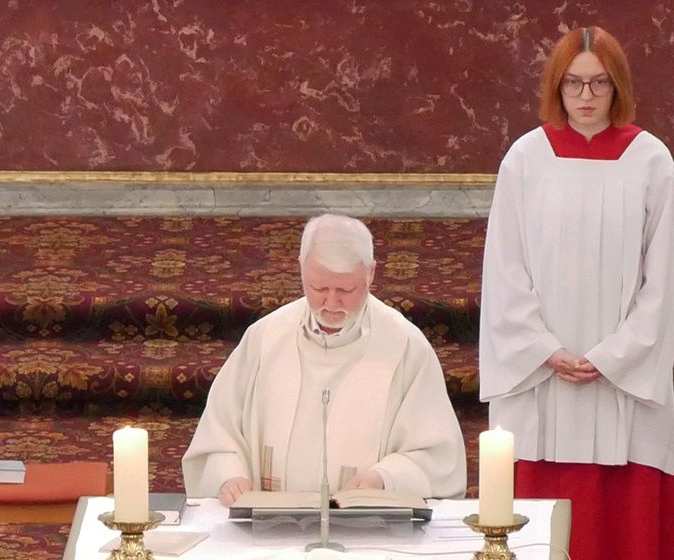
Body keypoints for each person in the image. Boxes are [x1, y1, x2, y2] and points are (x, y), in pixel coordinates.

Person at [479, 27, 674, 560]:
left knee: (609, 522)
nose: (587, 96)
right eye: (574, 83)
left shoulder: (650, 159)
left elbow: (666, 280)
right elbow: (504, 269)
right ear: (557, 87)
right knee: (548, 516)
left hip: (619, 379)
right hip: (543, 378)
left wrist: (612, 355)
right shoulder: (526, 158)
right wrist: (544, 349)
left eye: (599, 82)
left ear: (617, 86)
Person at [183, 214, 464, 503]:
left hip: (366, 523)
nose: (331, 303)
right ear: (301, 268)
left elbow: (437, 456)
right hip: (268, 520)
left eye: (345, 290)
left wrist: (384, 479)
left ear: (371, 273)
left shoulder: (405, 347)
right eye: (319, 288)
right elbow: (220, 432)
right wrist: (230, 476)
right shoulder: (265, 338)